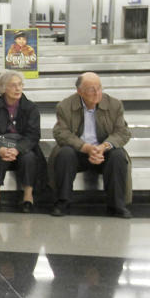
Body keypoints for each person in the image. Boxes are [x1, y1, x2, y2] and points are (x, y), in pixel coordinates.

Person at [50, 72, 132, 218]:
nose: (97, 92)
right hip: (78, 151)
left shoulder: (115, 104)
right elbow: (61, 133)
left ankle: (117, 205)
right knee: (64, 153)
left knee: (118, 155)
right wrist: (86, 148)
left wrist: (103, 147)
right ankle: (62, 202)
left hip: (104, 151)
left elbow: (122, 132)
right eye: (91, 89)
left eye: (99, 88)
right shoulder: (64, 106)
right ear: (79, 91)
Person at [0, 70, 45, 213]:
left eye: (20, 85)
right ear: (3, 88)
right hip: (1, 144)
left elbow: (33, 135)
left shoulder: (31, 108)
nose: (18, 89)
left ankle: (28, 197)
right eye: (13, 85)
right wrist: (0, 148)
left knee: (29, 158)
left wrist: (17, 149)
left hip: (23, 146)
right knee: (0, 157)